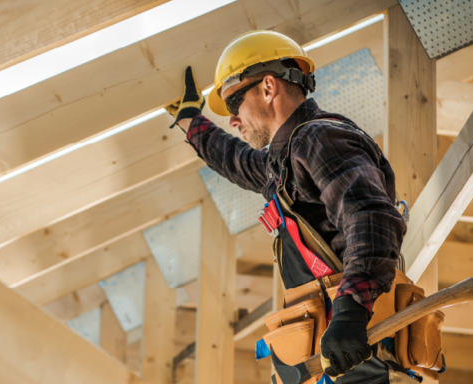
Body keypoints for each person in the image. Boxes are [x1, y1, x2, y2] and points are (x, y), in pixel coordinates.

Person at [166, 31, 424, 384]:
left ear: (268, 88)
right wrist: (190, 122)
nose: (234, 120)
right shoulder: (285, 160)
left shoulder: (319, 138)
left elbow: (369, 215)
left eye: (233, 104)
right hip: (339, 364)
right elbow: (235, 161)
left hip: (362, 360)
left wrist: (350, 311)